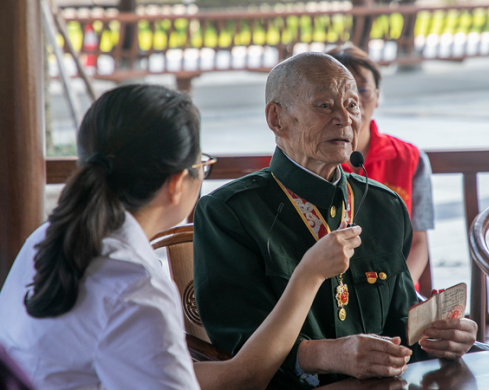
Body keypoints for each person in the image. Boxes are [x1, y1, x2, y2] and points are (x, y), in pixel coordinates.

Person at [0, 84, 360, 390]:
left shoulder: (47, 238)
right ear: (176, 185)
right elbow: (246, 377)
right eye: (202, 165)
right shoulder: (133, 286)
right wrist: (308, 275)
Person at [193, 52, 477, 388]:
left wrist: (440, 334)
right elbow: (240, 349)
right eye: (325, 106)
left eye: (353, 105)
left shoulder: (384, 206)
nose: (345, 119)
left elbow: (401, 320)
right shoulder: (229, 213)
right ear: (277, 118)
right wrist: (327, 354)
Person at [327, 44, 434, 290]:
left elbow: (419, 242)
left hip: (395, 290)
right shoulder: (311, 160)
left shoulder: (410, 159)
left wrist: (399, 288)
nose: (351, 101)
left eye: (362, 89)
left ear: (377, 96)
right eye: (339, 92)